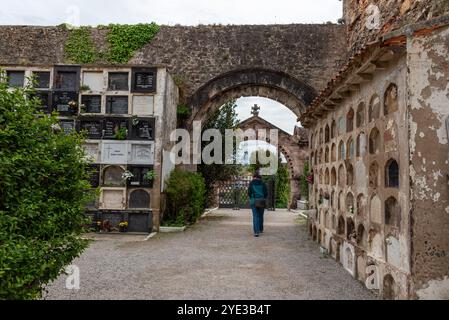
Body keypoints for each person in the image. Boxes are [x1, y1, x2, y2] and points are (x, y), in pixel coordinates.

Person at [248, 172, 268, 237]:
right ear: (260, 177)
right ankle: (260, 229)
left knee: (255, 216)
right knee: (261, 215)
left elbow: (249, 193)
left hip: (253, 201)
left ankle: (256, 232)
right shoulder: (263, 183)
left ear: (254, 177)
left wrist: (251, 198)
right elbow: (266, 193)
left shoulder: (251, 183)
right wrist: (263, 197)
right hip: (261, 201)